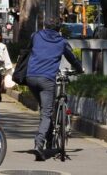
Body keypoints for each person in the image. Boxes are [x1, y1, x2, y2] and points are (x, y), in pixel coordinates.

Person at [26, 19, 83, 161]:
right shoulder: (62, 41)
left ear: (45, 26)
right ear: (59, 29)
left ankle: (49, 139)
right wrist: (80, 69)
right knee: (47, 113)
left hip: (31, 77)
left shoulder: (36, 36)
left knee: (45, 109)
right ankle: (39, 144)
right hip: (47, 80)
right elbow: (72, 59)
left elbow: (28, 50)